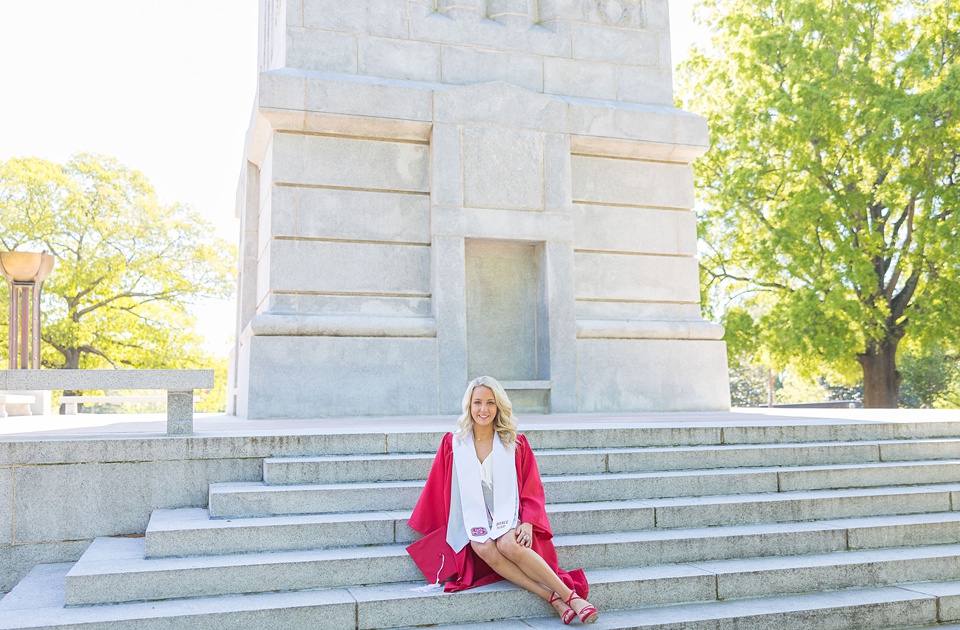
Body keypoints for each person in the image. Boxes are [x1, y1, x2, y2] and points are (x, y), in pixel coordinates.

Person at [406, 376, 599, 624]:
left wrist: (528, 522)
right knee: (481, 545)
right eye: (477, 403)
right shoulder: (454, 444)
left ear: (499, 407)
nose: (483, 410)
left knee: (509, 543)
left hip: (508, 513)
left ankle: (569, 597)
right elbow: (438, 488)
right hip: (474, 514)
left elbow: (532, 488)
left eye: (490, 403)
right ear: (469, 405)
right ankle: (553, 598)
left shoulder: (514, 443)